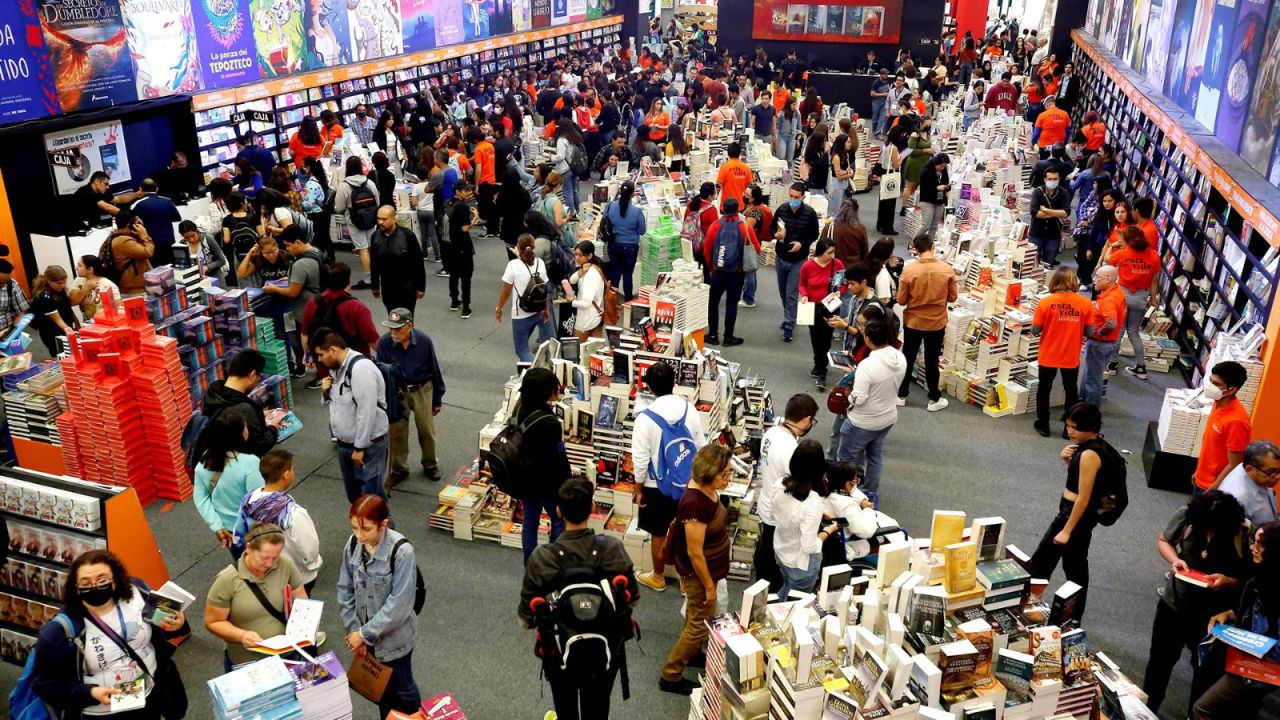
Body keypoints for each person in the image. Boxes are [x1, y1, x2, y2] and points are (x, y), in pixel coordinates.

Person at [518, 476, 637, 719]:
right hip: (604, 651)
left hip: (559, 653)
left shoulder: (542, 557)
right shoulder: (613, 549)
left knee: (565, 709)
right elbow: (632, 599)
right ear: (593, 509)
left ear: (559, 511)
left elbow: (526, 617)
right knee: (598, 709)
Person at [31, 549, 187, 719]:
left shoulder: (137, 593)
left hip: (146, 693)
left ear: (115, 581)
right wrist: (89, 693)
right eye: (85, 583)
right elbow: (45, 686)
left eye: (102, 579)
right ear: (76, 588)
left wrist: (176, 625)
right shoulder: (59, 632)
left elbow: (162, 631)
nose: (95, 586)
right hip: (102, 711)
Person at [1141, 491, 1251, 715]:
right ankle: (1146, 711)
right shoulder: (1188, 515)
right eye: (1206, 527)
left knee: (1205, 674)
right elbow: (1164, 540)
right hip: (1174, 604)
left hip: (1213, 616)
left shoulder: (1243, 531)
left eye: (1215, 529)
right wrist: (1175, 560)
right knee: (1159, 666)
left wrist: (1229, 580)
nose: (1210, 533)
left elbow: (1250, 576)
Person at [1029, 402, 1120, 621]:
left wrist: (1067, 529)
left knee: (1043, 562)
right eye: (1068, 425)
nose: (1070, 431)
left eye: (1075, 427)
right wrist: (1069, 461)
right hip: (1080, 517)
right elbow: (1083, 482)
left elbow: (1083, 496)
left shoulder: (1089, 454)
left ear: (1090, 427)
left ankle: (1032, 606)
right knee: (1074, 567)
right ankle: (1072, 617)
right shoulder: (1097, 447)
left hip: (1072, 516)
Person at [658, 444, 734, 696]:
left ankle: (689, 656)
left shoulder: (706, 489)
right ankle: (671, 675)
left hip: (709, 572)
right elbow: (694, 552)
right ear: (709, 473)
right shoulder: (695, 504)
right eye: (725, 474)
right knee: (698, 626)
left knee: (694, 619)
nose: (729, 478)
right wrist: (710, 586)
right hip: (701, 576)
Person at [338, 495, 421, 718]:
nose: (359, 535)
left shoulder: (402, 552)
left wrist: (363, 634)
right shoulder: (353, 543)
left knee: (403, 692)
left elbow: (400, 605)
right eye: (354, 527)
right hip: (364, 637)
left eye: (366, 529)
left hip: (394, 641)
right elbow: (345, 589)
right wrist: (353, 631)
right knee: (381, 691)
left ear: (383, 525)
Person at [1192, 521, 1280, 718]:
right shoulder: (1261, 576)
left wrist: (1245, 642)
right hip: (1242, 657)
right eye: (1253, 541)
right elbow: (1252, 614)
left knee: (1201, 709)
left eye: (1260, 544)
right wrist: (1230, 615)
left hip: (1255, 667)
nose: (1252, 548)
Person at [633, 362, 707, 591]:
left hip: (657, 485)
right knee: (686, 529)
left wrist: (638, 488)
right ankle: (685, 580)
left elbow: (640, 458)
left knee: (658, 531)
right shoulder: (689, 409)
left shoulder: (645, 418)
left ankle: (658, 577)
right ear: (674, 382)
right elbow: (700, 445)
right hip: (687, 481)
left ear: (649, 387)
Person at [205, 521, 308, 670]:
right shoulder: (227, 579)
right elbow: (212, 622)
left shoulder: (285, 564)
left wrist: (304, 623)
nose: (270, 564)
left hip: (286, 654)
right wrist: (242, 635)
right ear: (248, 548)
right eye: (264, 557)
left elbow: (302, 599)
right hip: (248, 663)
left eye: (275, 557)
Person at [314, 328, 390, 501]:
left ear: (333, 350)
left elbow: (367, 411)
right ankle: (361, 529)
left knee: (373, 501)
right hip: (345, 445)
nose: (319, 360)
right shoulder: (336, 369)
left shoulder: (361, 370)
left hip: (368, 447)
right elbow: (337, 403)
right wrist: (325, 393)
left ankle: (386, 529)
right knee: (356, 498)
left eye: (321, 354)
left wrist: (359, 448)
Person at [233, 450, 322, 594]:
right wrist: (312, 565)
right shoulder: (293, 513)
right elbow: (309, 548)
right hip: (295, 576)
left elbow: (238, 536)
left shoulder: (248, 500)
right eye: (292, 469)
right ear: (286, 475)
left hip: (261, 569)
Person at [837, 316, 907, 496]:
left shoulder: (867, 366)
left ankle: (847, 494)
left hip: (862, 421)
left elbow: (858, 398)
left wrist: (848, 395)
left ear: (867, 339)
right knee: (875, 457)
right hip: (887, 417)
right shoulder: (900, 357)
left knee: (845, 458)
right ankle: (870, 493)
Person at [755, 394, 818, 592]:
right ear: (807, 419)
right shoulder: (791, 449)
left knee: (766, 550)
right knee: (774, 561)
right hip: (778, 511)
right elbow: (799, 481)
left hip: (767, 502)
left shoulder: (772, 432)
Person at [377, 308, 445, 487]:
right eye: (391, 328)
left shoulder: (424, 341)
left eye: (397, 329)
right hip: (397, 391)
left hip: (422, 388)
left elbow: (434, 369)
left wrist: (437, 398)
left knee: (426, 430)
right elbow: (380, 374)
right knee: (397, 432)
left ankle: (430, 463)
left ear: (410, 326)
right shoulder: (384, 343)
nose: (393, 333)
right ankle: (399, 468)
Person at [511, 367, 571, 562]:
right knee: (558, 520)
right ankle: (552, 562)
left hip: (525, 477)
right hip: (547, 483)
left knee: (530, 520)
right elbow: (557, 459)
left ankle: (530, 563)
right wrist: (568, 484)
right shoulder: (549, 422)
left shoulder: (520, 407)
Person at [774, 440, 841, 600]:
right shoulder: (812, 502)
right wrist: (827, 531)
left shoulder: (780, 485)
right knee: (793, 606)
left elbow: (776, 513)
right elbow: (809, 546)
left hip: (781, 551)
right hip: (801, 565)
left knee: (785, 590)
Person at [1032, 267, 1095, 437]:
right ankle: (1070, 429)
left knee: (1044, 389)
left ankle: (1043, 424)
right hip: (1070, 354)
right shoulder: (1085, 303)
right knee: (1071, 390)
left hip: (1048, 354)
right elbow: (1090, 333)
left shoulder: (1045, 302)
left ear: (1055, 281)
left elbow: (1034, 331)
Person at [897, 233, 957, 411]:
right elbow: (953, 298)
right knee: (932, 360)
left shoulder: (909, 270)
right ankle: (933, 398)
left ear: (915, 249)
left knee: (908, 356)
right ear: (933, 247)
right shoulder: (946, 269)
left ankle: (901, 394)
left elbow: (901, 300)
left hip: (913, 321)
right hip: (936, 322)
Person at [194, 412, 265, 556]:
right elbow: (258, 502)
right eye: (245, 427)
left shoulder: (204, 462)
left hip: (229, 532)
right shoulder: (250, 463)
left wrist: (217, 526)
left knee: (244, 566)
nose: (247, 429)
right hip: (254, 531)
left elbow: (201, 499)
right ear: (238, 434)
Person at [1100, 226, 1160, 379]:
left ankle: (1112, 364)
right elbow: (1155, 281)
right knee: (1134, 332)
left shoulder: (1123, 253)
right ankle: (1141, 367)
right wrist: (1152, 298)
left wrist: (1111, 247)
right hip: (1140, 298)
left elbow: (1107, 261)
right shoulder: (1154, 256)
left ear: (1127, 240)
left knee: (1118, 332)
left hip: (1122, 297)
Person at [703, 198, 760, 347]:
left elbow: (707, 250)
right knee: (731, 304)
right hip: (737, 272)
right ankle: (728, 337)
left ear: (722, 209)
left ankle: (713, 334)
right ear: (738, 210)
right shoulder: (745, 227)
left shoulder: (714, 226)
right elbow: (757, 249)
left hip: (718, 272)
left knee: (713, 303)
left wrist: (710, 269)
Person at [1194, 361, 1253, 494]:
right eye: (1211, 381)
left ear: (1232, 389)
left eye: (1217, 384)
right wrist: (1198, 472)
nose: (1210, 387)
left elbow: (1235, 464)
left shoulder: (1237, 421)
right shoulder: (1217, 404)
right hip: (1201, 478)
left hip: (1214, 488)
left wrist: (1213, 489)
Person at [771, 182, 821, 342]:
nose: (793, 199)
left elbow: (814, 233)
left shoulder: (810, 213)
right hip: (781, 257)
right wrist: (776, 235)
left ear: (803, 197)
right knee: (783, 292)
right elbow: (771, 229)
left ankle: (787, 326)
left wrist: (802, 244)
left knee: (792, 293)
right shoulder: (782, 209)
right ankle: (790, 317)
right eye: (791, 196)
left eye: (796, 197)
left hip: (798, 261)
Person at [498, 235, 554, 362]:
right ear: (533, 247)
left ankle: (533, 371)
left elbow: (506, 291)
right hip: (538, 309)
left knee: (522, 350)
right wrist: (546, 309)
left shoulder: (513, 265)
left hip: (521, 313)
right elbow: (544, 288)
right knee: (540, 340)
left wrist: (499, 308)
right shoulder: (540, 263)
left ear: (518, 247)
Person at [799, 237, 847, 388]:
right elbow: (802, 284)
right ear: (821, 252)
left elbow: (844, 283)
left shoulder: (837, 264)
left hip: (830, 306)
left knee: (826, 338)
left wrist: (839, 292)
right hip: (813, 306)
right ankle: (818, 362)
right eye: (829, 253)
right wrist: (804, 295)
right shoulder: (808, 266)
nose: (832, 256)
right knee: (815, 336)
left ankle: (822, 368)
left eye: (833, 252)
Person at [1078, 265, 1127, 407]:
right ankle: (1082, 400)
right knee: (1090, 373)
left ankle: (1089, 411)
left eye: (1097, 277)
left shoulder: (1109, 300)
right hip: (1108, 342)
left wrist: (1097, 334)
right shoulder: (1117, 292)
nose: (1093, 279)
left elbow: (1111, 323)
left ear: (1107, 279)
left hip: (1099, 343)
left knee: (1094, 379)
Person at [368, 205, 427, 316]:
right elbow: (374, 263)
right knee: (393, 319)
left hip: (407, 288)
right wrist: (375, 285)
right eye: (378, 218)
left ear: (394, 219)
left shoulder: (407, 235)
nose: (380, 222)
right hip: (388, 288)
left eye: (384, 219)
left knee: (406, 321)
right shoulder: (375, 236)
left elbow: (418, 263)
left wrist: (420, 287)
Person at [334, 156, 379, 290]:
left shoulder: (344, 185)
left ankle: (368, 279)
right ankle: (378, 275)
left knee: (363, 249)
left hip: (354, 221)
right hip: (371, 218)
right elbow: (377, 201)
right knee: (373, 247)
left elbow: (340, 207)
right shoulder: (369, 182)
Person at [1219, 440, 1280, 526]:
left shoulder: (1255, 473)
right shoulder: (1237, 499)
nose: (1278, 477)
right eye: (1272, 472)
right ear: (1250, 470)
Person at [605, 180, 647, 300]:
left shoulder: (610, 206)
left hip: (614, 244)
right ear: (633, 194)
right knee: (628, 275)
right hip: (630, 246)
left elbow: (605, 221)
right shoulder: (637, 211)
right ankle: (628, 300)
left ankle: (612, 300)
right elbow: (642, 230)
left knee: (615, 272)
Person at [27, 265, 78, 357]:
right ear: (48, 280)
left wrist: (77, 325)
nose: (62, 286)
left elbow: (68, 308)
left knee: (74, 353)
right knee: (63, 356)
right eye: (59, 283)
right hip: (52, 333)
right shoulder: (43, 297)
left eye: (64, 283)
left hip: (65, 327)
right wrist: (73, 335)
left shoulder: (59, 290)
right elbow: (57, 320)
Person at [445, 180, 479, 317]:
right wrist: (475, 218)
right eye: (466, 190)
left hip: (449, 245)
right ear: (458, 192)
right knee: (466, 276)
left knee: (453, 274)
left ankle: (454, 300)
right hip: (463, 246)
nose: (469, 192)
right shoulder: (463, 207)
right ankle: (466, 307)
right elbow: (465, 228)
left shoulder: (447, 203)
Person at [130, 179, 181, 267]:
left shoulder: (137, 205)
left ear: (140, 189)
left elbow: (132, 225)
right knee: (172, 268)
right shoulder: (167, 201)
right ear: (157, 189)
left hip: (151, 245)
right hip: (169, 242)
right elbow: (177, 218)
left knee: (157, 274)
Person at [563, 241, 606, 340]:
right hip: (598, 315)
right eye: (576, 255)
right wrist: (580, 272)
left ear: (589, 255)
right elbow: (572, 280)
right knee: (595, 351)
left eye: (580, 255)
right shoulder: (593, 267)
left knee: (578, 350)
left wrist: (572, 301)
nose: (577, 258)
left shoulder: (590, 276)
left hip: (586, 318)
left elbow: (586, 303)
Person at [108, 211, 156, 295]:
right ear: (129, 225)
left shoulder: (126, 237)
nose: (141, 224)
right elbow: (148, 252)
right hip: (133, 291)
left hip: (138, 288)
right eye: (138, 222)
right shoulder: (123, 241)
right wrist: (145, 236)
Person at [72, 171, 141, 229]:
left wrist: (135, 195)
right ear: (97, 182)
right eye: (106, 184)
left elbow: (119, 199)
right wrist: (131, 215)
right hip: (78, 225)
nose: (107, 187)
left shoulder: (101, 191)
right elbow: (107, 207)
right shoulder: (86, 192)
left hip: (94, 223)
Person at [740, 185, 773, 307]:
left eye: (747, 195)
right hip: (754, 242)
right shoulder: (757, 208)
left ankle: (749, 298)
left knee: (749, 270)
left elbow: (746, 229)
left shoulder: (754, 212)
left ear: (753, 198)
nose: (744, 196)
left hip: (750, 244)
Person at [68, 255, 120, 322]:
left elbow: (118, 309)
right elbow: (72, 302)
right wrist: (85, 288)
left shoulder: (108, 285)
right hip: (87, 323)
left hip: (104, 323)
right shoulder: (78, 280)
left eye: (80, 266)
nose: (76, 268)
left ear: (90, 269)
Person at [715, 142, 753, 214]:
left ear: (728, 154)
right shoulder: (746, 168)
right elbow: (750, 187)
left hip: (726, 205)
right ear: (739, 153)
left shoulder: (724, 167)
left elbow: (718, 185)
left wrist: (714, 198)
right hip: (740, 205)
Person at [916, 153, 950, 231]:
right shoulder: (926, 172)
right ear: (936, 163)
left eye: (944, 166)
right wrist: (937, 188)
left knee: (934, 227)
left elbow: (946, 183)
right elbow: (925, 189)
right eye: (941, 166)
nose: (943, 168)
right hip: (927, 201)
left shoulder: (944, 172)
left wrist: (946, 187)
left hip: (940, 201)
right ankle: (913, 243)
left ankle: (930, 243)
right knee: (926, 226)